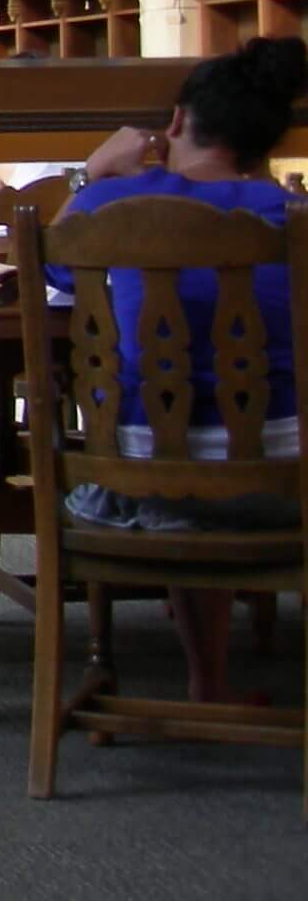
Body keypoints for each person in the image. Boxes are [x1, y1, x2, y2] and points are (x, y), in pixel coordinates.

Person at [51, 36, 303, 703]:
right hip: (285, 484)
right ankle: (208, 682)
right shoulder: (294, 217)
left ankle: (207, 681)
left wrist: (92, 170)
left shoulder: (108, 205)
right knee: (231, 434)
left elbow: (50, 269)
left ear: (177, 122)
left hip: (137, 481)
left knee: (181, 444)